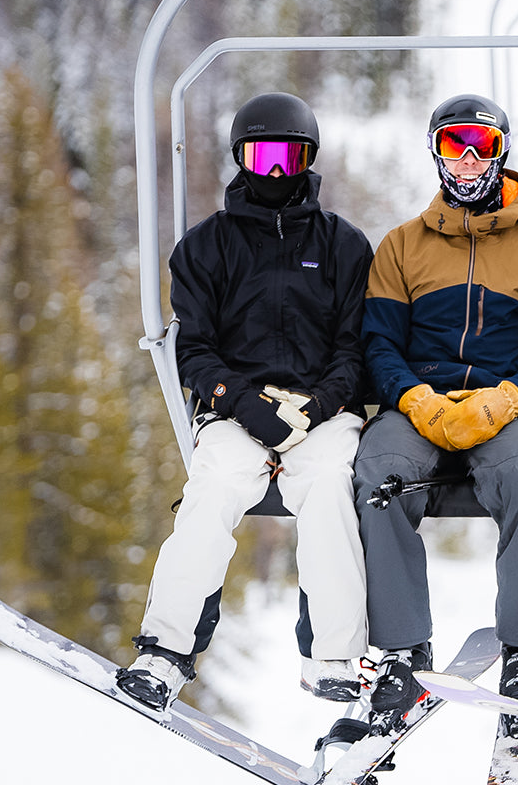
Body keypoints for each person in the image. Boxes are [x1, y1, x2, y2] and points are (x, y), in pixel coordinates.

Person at [116, 92, 374, 712]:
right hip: (237, 410)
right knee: (215, 484)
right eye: (263, 157)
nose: (276, 172)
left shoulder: (343, 246)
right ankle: (165, 650)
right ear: (241, 159)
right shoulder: (207, 247)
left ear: (308, 160)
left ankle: (332, 653)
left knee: (330, 484)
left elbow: (356, 347)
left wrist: (320, 405)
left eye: (289, 157)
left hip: (321, 411)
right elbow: (193, 348)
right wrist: (238, 400)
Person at [354, 93, 518, 737]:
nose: (469, 160)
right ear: (437, 154)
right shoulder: (402, 246)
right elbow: (379, 344)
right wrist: (413, 398)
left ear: (501, 153)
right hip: (419, 405)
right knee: (380, 478)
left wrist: (508, 398)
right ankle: (402, 647)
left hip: (503, 409)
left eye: (481, 145)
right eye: (455, 145)